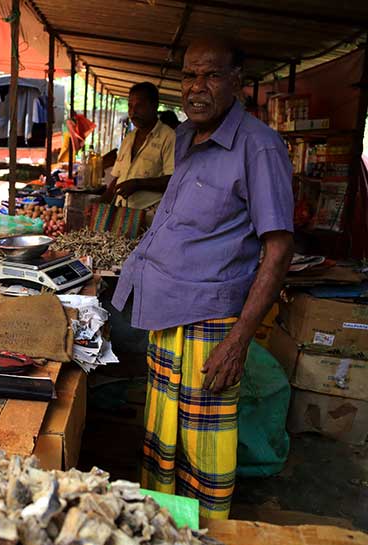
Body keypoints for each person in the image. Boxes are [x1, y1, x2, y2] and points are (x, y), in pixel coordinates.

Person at [112, 39, 294, 520]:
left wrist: (239, 341)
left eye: (211, 76)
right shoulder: (186, 138)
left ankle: (207, 544)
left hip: (211, 321)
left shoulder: (259, 147)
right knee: (162, 438)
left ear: (237, 82)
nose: (197, 87)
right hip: (166, 310)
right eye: (190, 76)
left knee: (201, 454)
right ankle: (162, 532)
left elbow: (278, 249)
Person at [101, 82, 175, 211]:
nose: (133, 112)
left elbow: (173, 179)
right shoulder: (129, 138)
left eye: (139, 106)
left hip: (150, 213)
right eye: (130, 106)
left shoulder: (168, 137)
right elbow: (118, 177)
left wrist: (138, 184)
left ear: (154, 106)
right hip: (122, 210)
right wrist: (102, 201)